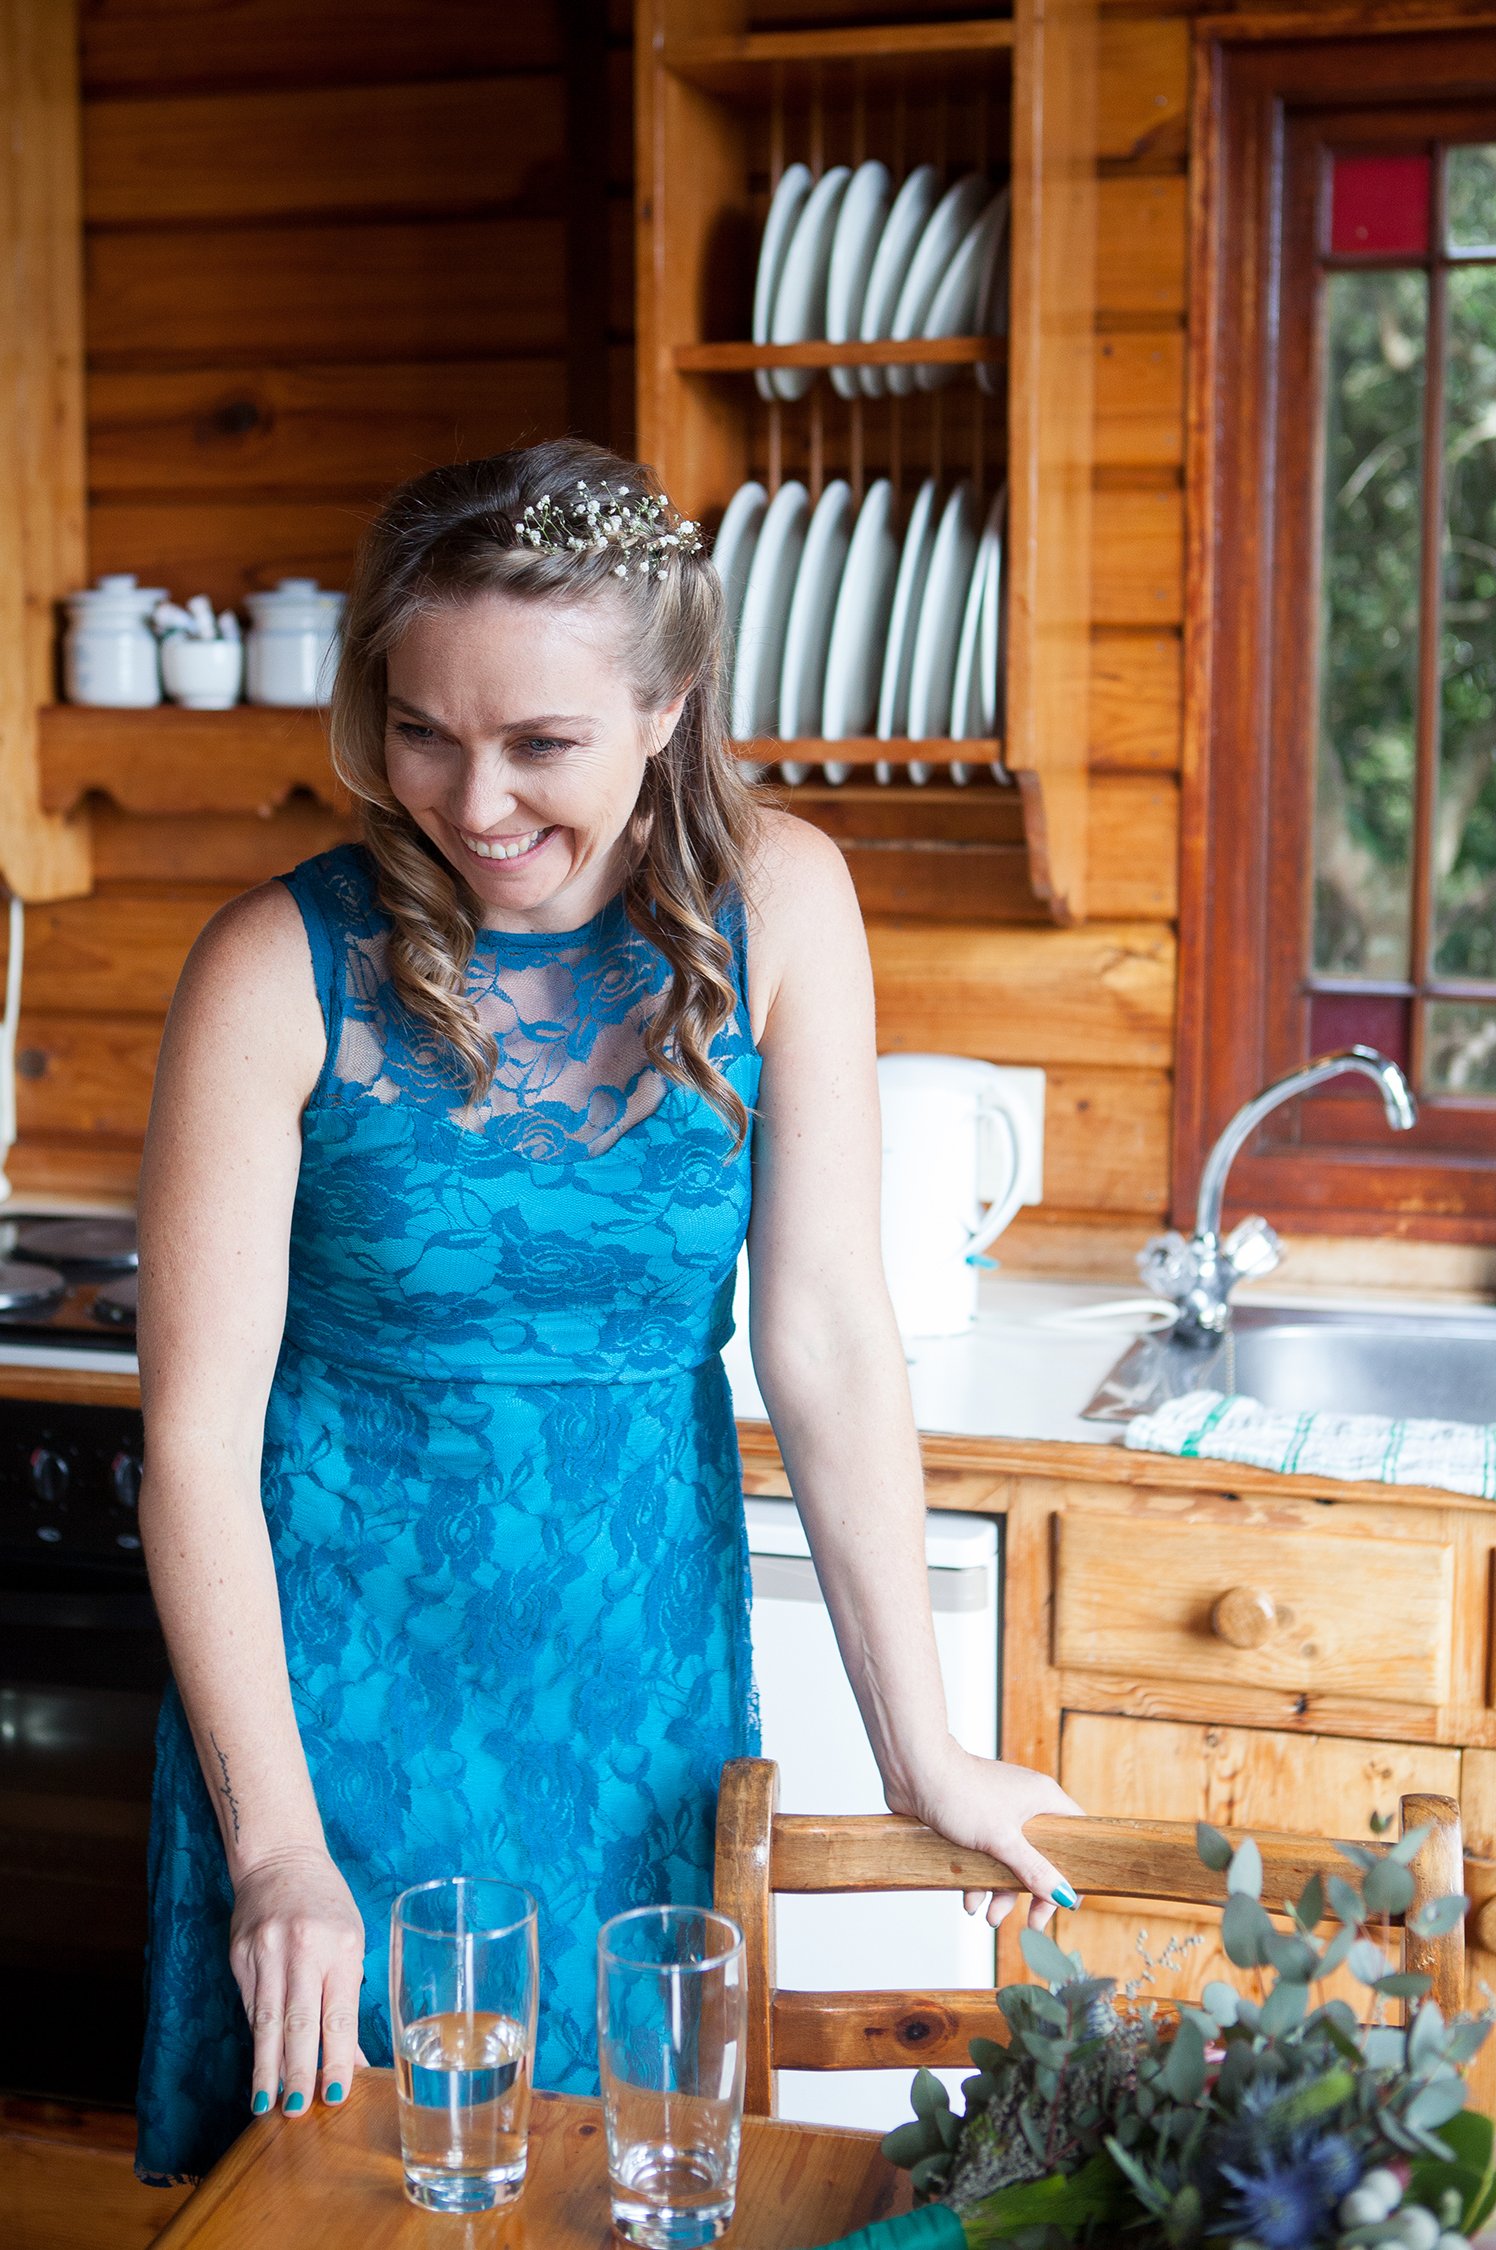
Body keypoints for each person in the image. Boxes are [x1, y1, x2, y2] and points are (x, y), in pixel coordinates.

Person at [134, 439, 1081, 2185]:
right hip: (330, 1718)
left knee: (623, 2180)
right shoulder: (271, 969)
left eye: (540, 742)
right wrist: (274, 1846)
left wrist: (924, 1749)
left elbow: (827, 1339)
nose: (473, 798)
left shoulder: (784, 903)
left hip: (638, 1678)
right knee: (342, 2196)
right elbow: (191, 1444)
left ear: (669, 705)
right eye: (424, 729)